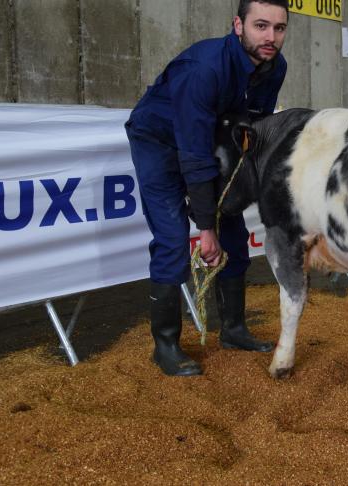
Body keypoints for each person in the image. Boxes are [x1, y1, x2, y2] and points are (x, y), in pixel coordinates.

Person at [124, 0, 289, 376]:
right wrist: (205, 229)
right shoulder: (205, 68)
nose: (270, 37)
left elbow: (253, 128)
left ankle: (233, 329)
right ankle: (165, 346)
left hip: (210, 137)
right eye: (260, 26)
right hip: (159, 140)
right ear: (238, 25)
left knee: (233, 228)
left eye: (279, 28)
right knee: (171, 238)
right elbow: (193, 153)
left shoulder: (274, 66)